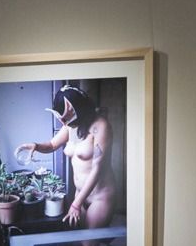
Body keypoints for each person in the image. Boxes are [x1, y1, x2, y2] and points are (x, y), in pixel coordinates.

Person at [15, 84, 118, 230]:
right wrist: (36, 146)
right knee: (81, 238)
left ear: (78, 110)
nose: (64, 123)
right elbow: (52, 145)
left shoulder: (101, 127)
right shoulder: (71, 125)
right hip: (80, 194)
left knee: (89, 242)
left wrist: (75, 204)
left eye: (65, 118)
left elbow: (97, 169)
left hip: (100, 196)